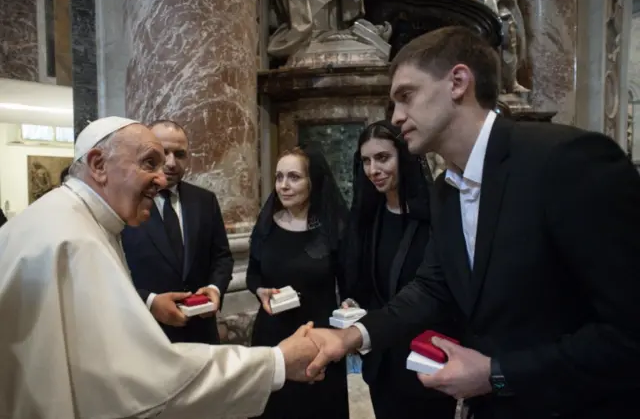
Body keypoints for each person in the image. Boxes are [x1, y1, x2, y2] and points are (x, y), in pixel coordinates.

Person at [304, 26, 640, 419]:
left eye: (406, 96)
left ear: (458, 82)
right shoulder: (446, 189)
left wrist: (497, 374)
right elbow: (433, 286)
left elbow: (628, 332)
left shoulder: (567, 161)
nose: (395, 118)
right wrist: (350, 337)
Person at [0, 116, 323, 419]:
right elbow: (141, 378)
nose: (161, 175)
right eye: (149, 163)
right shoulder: (74, 239)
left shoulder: (66, 218)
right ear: (99, 164)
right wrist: (277, 362)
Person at [340, 120, 457, 419]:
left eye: (382, 158)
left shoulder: (435, 212)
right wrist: (354, 303)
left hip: (425, 358)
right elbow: (366, 283)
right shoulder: (368, 216)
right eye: (366, 161)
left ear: (403, 157)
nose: (373, 170)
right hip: (382, 357)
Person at [247, 143, 350, 419]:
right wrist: (260, 290)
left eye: (294, 177)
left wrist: (351, 304)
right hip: (272, 335)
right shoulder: (267, 223)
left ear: (312, 182)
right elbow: (252, 273)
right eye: (279, 177)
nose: (283, 185)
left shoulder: (333, 228)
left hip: (319, 339)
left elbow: (350, 283)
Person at [122, 119, 233, 344]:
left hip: (200, 333)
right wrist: (150, 302)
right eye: (163, 152)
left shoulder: (204, 200)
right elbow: (110, 271)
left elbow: (222, 257)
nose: (171, 163)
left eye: (180, 154)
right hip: (145, 333)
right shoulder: (124, 202)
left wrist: (214, 289)